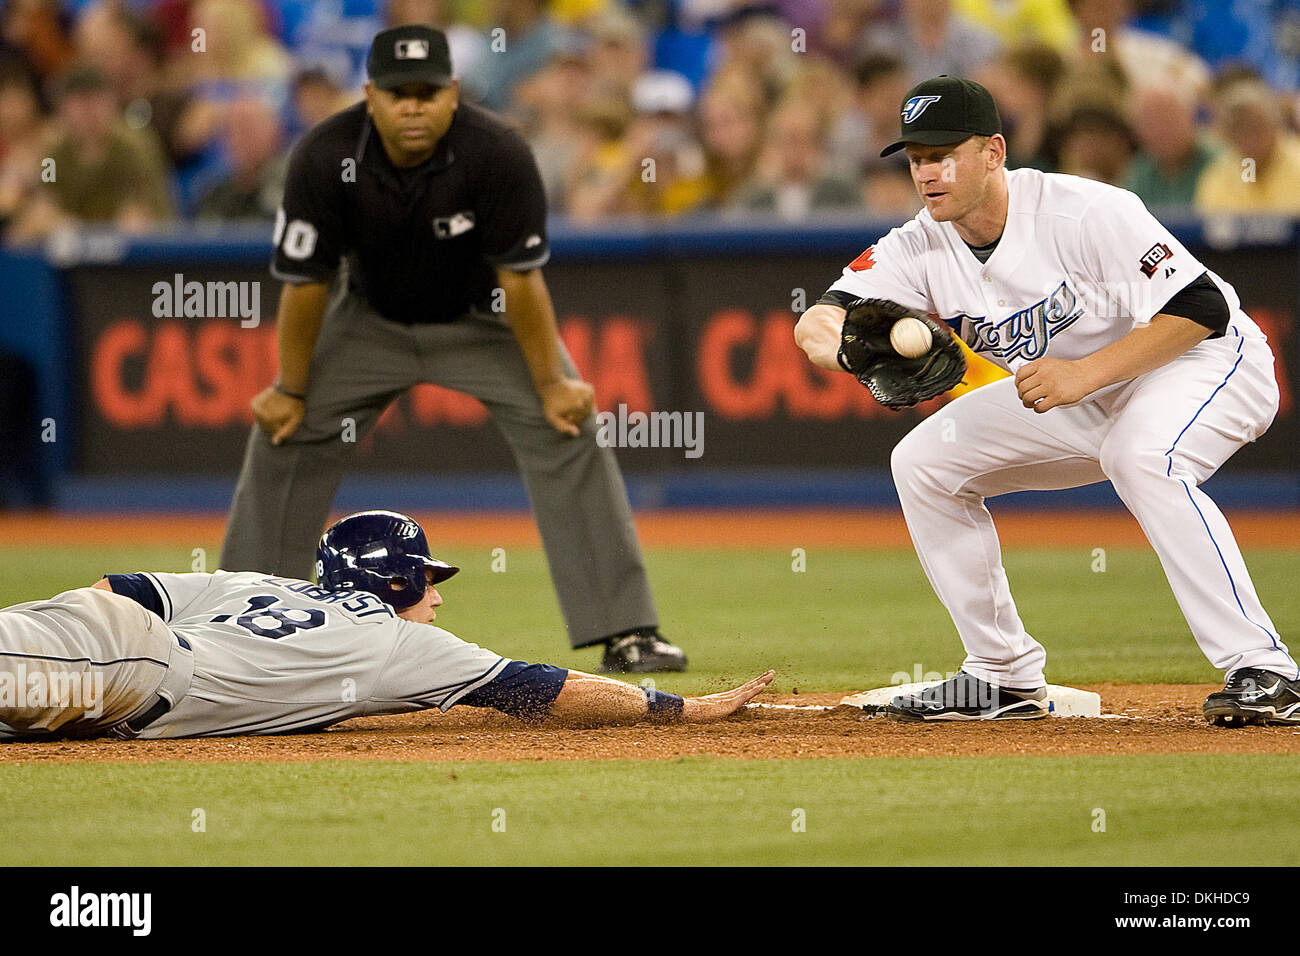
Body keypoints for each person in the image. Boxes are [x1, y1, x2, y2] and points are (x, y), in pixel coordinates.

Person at [795, 75, 1299, 726]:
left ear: (995, 152)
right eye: (917, 158)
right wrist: (841, 349)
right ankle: (1002, 676)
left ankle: (1267, 670)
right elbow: (820, 318)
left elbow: (1199, 308)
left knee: (1141, 454)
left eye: (945, 153)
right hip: (1083, 391)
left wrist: (1085, 374)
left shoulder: (1080, 210)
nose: (928, 172)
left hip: (1206, 359)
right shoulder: (917, 244)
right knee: (924, 463)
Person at [221, 26, 686, 675]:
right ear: (370, 96)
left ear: (454, 95)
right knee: (282, 436)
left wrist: (552, 382)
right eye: (398, 93)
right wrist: (290, 389)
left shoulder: (495, 150)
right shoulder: (326, 154)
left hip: (481, 319)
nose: (413, 106)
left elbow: (519, 280)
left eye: (427, 92)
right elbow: (307, 286)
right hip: (368, 319)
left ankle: (628, 629)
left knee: (568, 425)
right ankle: (238, 626)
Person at [0, 510, 774, 740]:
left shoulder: (253, 582)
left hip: (100, 638)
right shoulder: (395, 641)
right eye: (429, 582)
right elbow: (549, 690)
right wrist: (683, 708)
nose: (436, 598)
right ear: (397, 580)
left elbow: (115, 587)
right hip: (140, 669)